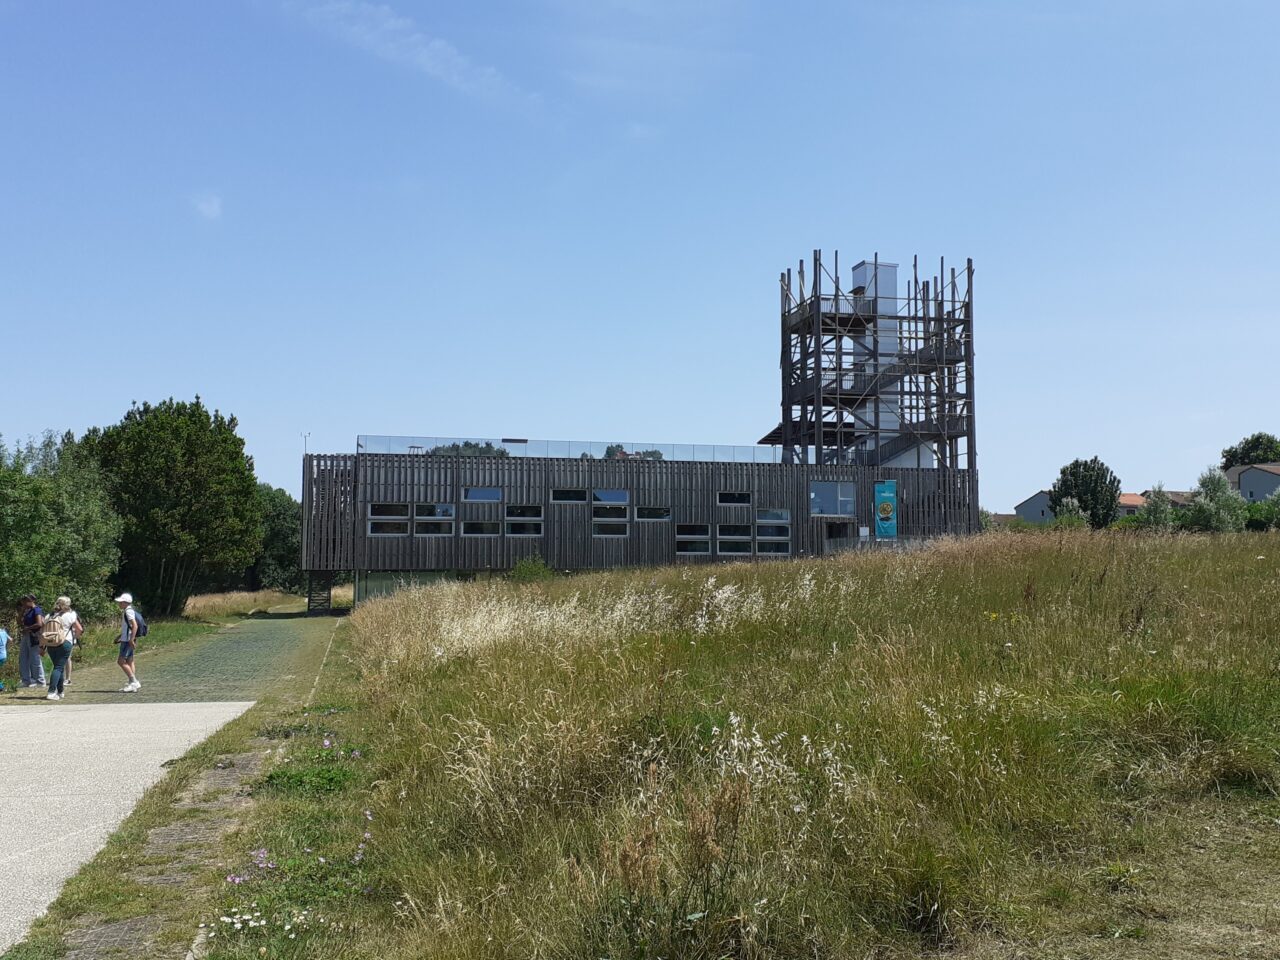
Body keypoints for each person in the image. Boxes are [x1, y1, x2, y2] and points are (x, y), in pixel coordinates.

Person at [42, 596, 81, 701]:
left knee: (57, 667)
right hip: (65, 642)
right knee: (59, 667)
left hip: (50, 643)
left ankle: (60, 691)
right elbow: (79, 629)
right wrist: (76, 638)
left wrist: (42, 646)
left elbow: (43, 629)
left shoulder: (48, 616)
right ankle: (51, 692)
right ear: (68, 605)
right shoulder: (70, 615)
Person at [19, 595, 47, 689]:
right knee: (23, 658)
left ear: (31, 601)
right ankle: (26, 680)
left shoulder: (37, 610)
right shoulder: (27, 611)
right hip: (26, 636)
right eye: (23, 602)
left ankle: (40, 680)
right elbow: (19, 621)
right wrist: (22, 611)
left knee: (35, 659)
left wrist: (28, 628)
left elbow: (39, 623)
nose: (24, 603)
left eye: (26, 601)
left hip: (34, 636)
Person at [115, 592, 141, 692]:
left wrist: (131, 639)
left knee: (121, 661)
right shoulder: (129, 610)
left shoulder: (128, 612)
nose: (119, 604)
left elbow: (134, 625)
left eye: (121, 602)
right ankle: (132, 683)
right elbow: (128, 627)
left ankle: (134, 681)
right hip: (126, 638)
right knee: (130, 660)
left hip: (127, 641)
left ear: (126, 603)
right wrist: (120, 636)